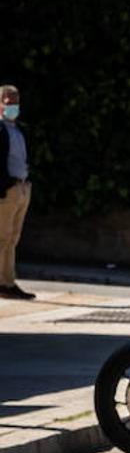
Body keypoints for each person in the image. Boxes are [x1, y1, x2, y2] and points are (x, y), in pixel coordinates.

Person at [0, 83, 32, 300]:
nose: (13, 105)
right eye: (8, 101)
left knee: (12, 238)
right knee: (2, 238)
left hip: (22, 187)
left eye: (15, 101)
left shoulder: (17, 129)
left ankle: (8, 281)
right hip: (8, 189)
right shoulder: (0, 129)